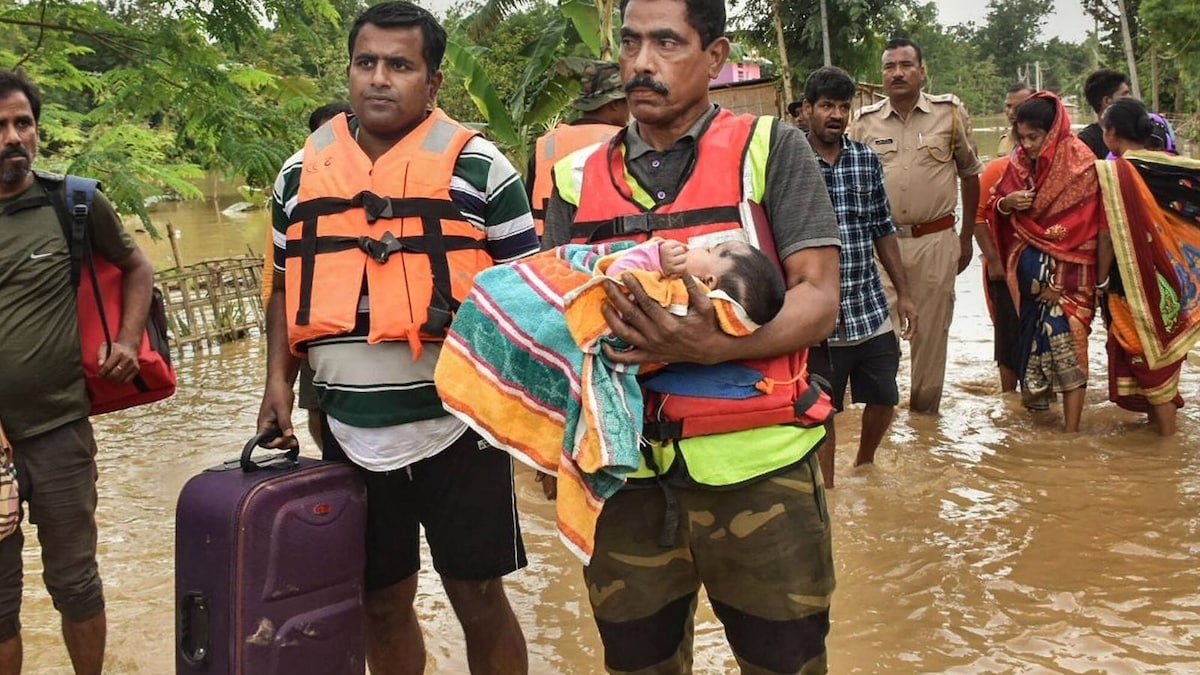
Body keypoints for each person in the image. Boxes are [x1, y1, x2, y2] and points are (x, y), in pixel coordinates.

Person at [541, 0, 843, 670]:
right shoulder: (574, 178)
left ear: (715, 56)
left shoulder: (772, 149)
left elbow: (820, 300)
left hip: (759, 472)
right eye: (630, 42)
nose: (641, 62)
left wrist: (715, 347)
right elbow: (554, 315)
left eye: (667, 43)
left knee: (786, 660)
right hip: (623, 479)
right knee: (638, 662)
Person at [254, 4, 538, 674]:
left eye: (400, 65)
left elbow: (533, 305)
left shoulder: (484, 171)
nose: (380, 78)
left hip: (461, 429)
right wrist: (277, 383)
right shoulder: (297, 176)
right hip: (347, 433)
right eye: (366, 63)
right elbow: (281, 290)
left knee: (479, 597)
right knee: (378, 601)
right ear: (350, 70)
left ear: (433, 83)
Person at [436, 237, 787, 560]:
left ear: (709, 284)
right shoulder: (571, 177)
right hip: (629, 488)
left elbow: (620, 280)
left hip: (749, 474)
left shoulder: (683, 281)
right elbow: (570, 269)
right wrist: (554, 456)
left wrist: (707, 343)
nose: (697, 247)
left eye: (710, 253)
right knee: (633, 622)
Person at [0, 68, 155, 675]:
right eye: (0, 127)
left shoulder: (73, 201)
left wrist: (126, 339)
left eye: (23, 124)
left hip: (62, 430)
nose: (14, 138)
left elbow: (137, 266)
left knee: (77, 584)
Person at [850, 37, 983, 414]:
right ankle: (882, 423)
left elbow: (971, 176)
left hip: (936, 240)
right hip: (880, 246)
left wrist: (966, 238)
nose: (897, 73)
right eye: (889, 66)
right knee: (880, 337)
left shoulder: (950, 114)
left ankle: (925, 426)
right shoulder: (863, 123)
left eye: (906, 65)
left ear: (922, 71)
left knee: (929, 337)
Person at [799, 66, 915, 489]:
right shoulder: (790, 162)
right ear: (807, 109)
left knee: (884, 396)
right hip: (816, 315)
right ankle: (827, 493)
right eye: (827, 105)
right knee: (823, 409)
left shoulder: (865, 159)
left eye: (843, 107)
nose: (836, 114)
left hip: (868, 307)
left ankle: (865, 465)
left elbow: (882, 227)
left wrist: (904, 294)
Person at [991, 92, 1105, 432]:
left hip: (1070, 279)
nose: (1026, 145)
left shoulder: (1081, 164)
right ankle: (1041, 428)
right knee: (1031, 350)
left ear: (1052, 131)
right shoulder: (1017, 164)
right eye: (1021, 137)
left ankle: (1071, 432)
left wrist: (1060, 282)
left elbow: (1088, 228)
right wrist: (1008, 203)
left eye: (1034, 137)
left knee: (1071, 346)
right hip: (1029, 284)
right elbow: (995, 205)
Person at [1096, 98, 1200, 436]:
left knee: (1150, 367)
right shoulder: (1169, 167)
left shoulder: (1114, 174)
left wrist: (1098, 281)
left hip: (1132, 285)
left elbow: (1107, 236)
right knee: (1163, 368)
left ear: (1112, 134)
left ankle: (1167, 447)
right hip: (1174, 282)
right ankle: (1160, 441)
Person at [259, 100, 353, 455]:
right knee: (316, 405)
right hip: (309, 322)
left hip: (354, 321)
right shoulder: (297, 187)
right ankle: (333, 460)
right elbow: (279, 281)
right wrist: (278, 377)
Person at [528, 60, 628, 236]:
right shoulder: (622, 142)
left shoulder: (546, 144)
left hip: (545, 249)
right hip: (600, 251)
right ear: (614, 104)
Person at [1077, 68, 1132, 160]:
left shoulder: (1138, 134)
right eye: (1124, 94)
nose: (1130, 98)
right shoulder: (1085, 144)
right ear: (1107, 101)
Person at [996, 81, 1034, 156]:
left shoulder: (1043, 142)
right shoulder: (1004, 141)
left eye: (1019, 107)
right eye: (1008, 106)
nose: (1011, 112)